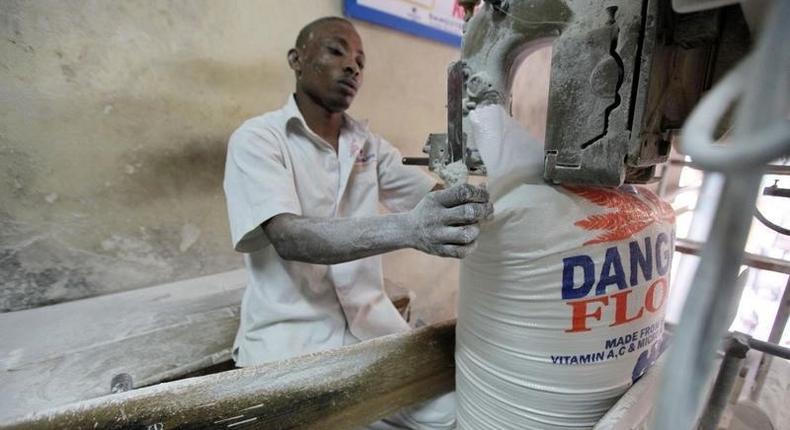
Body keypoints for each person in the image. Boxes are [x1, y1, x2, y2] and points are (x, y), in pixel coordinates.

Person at [222, 16, 492, 429]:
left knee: (457, 416)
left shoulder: (367, 146)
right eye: (336, 51)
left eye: (361, 61)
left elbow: (431, 200)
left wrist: (467, 179)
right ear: (297, 59)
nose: (352, 67)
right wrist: (410, 229)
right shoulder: (258, 140)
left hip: (373, 335)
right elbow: (289, 236)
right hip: (290, 347)